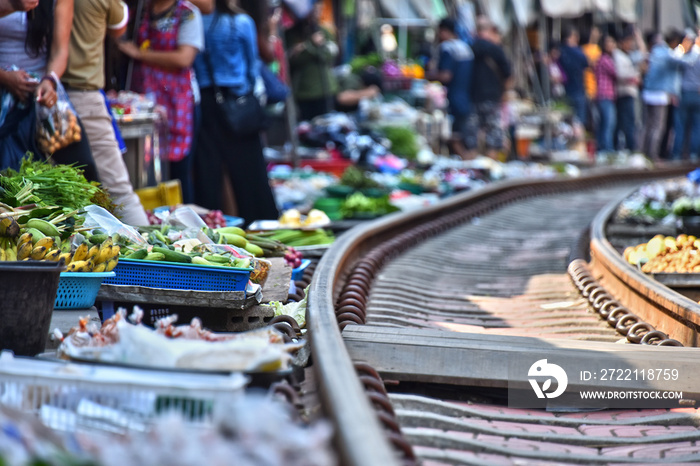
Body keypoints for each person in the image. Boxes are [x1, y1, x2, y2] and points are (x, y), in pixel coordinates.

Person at [61, 0, 149, 225]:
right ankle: (148, 253)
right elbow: (119, 26)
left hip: (33, 93)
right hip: (80, 95)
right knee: (119, 190)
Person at [192, 0, 278, 223]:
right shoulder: (241, 21)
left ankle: (211, 227)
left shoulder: (194, 21)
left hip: (205, 104)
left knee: (208, 174)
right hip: (238, 102)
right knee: (250, 172)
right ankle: (261, 224)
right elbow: (251, 67)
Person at [0, 0, 100, 178]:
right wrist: (5, 77)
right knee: (9, 172)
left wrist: (49, 80)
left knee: (81, 168)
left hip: (39, 94)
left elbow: (60, 50)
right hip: (4, 93)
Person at [117, 0, 204, 204]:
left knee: (177, 174)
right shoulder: (139, 11)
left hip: (179, 103)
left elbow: (184, 58)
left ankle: (183, 225)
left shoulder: (187, 13)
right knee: (145, 175)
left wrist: (140, 54)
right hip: (145, 103)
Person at [640, 32, 694, 160]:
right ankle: (652, 155)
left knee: (649, 125)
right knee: (658, 126)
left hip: (649, 91)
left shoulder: (657, 51)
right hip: (659, 94)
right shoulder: (668, 53)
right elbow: (685, 61)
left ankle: (644, 153)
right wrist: (685, 47)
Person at [427, 17, 474, 159]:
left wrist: (426, 75)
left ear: (444, 31)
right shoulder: (465, 47)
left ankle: (465, 164)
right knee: (465, 138)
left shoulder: (447, 48)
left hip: (453, 100)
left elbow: (446, 76)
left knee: (454, 138)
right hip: (467, 99)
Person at [467, 16, 511, 160]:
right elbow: (508, 75)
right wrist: (504, 93)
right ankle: (490, 169)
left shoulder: (469, 48)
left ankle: (474, 170)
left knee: (472, 136)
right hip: (492, 97)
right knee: (493, 136)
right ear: (490, 30)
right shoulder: (496, 49)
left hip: (472, 97)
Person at [286, 2, 338, 121]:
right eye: (313, 10)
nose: (316, 13)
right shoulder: (292, 34)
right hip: (304, 91)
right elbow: (293, 60)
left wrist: (308, 48)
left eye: (319, 9)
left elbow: (330, 54)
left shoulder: (325, 32)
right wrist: (311, 44)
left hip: (326, 89)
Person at [613, 30, 642, 152]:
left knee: (626, 122)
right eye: (629, 42)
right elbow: (620, 74)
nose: (630, 44)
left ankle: (628, 147)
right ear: (621, 42)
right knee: (627, 122)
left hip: (628, 93)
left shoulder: (626, 55)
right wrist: (633, 77)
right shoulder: (618, 55)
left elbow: (642, 54)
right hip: (624, 93)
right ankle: (631, 148)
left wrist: (638, 38)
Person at [673, 33, 700, 160]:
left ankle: (677, 154)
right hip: (697, 94)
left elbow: (674, 58)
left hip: (684, 93)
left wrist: (681, 47)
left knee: (680, 125)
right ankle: (694, 154)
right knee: (696, 126)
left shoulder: (683, 57)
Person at [558, 27, 589, 125]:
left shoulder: (560, 51)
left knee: (566, 122)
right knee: (579, 122)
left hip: (562, 91)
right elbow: (586, 62)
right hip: (577, 89)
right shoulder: (577, 52)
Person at [594, 35, 617, 154]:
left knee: (604, 124)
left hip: (604, 96)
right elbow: (617, 73)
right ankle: (607, 150)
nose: (613, 45)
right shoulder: (605, 59)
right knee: (608, 124)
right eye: (610, 43)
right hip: (605, 95)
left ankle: (604, 149)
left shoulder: (603, 58)